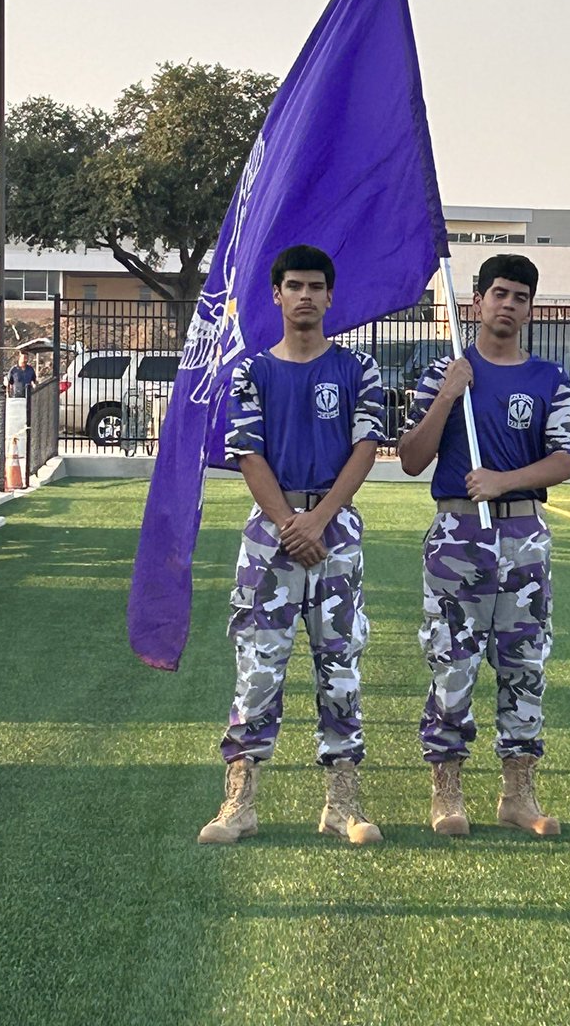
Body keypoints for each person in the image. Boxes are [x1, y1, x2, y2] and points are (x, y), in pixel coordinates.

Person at [199, 244, 387, 847]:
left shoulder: (359, 369)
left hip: (336, 533)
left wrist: (320, 519)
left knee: (341, 667)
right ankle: (240, 802)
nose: (305, 296)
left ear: (331, 297)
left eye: (315, 287)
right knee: (258, 668)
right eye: (293, 286)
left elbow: (365, 449)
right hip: (270, 537)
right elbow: (247, 453)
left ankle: (342, 802)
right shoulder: (253, 371)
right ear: (276, 296)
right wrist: (288, 523)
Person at [398, 254, 570, 837]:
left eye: (520, 296)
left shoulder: (549, 378)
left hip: (523, 536)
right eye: (498, 293)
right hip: (458, 537)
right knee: (453, 663)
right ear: (476, 301)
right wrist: (449, 395)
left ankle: (517, 792)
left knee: (524, 663)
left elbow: (565, 459)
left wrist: (504, 480)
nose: (508, 304)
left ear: (530, 309)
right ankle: (446, 791)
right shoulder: (444, 370)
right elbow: (410, 458)